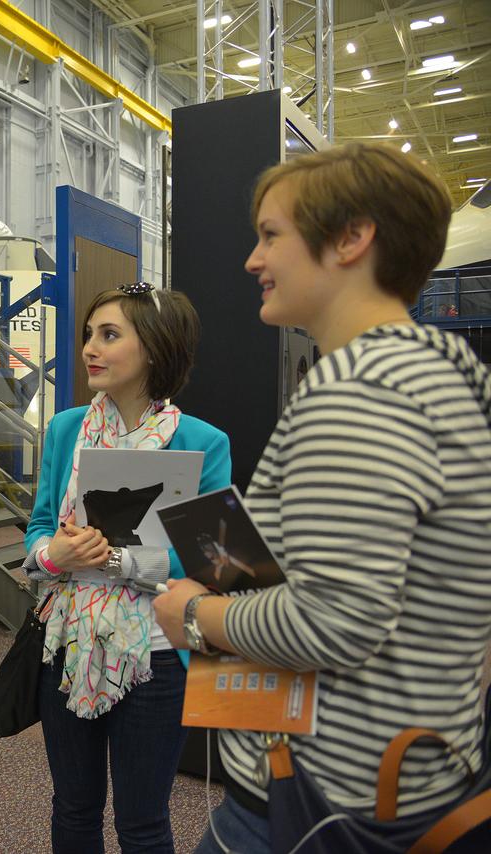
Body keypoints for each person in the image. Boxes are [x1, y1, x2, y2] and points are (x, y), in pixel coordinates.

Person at [153, 142, 491, 852]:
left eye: (272, 234)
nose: (253, 260)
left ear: (351, 238)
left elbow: (336, 621)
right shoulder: (441, 375)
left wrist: (196, 613)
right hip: (407, 772)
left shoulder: (362, 393)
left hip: (322, 799)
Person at [23, 282, 232, 853]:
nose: (91, 347)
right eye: (90, 334)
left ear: (155, 349)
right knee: (72, 810)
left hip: (157, 654)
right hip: (67, 643)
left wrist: (114, 560)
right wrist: (52, 555)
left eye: (109, 335)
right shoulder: (67, 429)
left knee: (142, 823)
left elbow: (207, 561)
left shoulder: (202, 443)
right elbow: (41, 525)